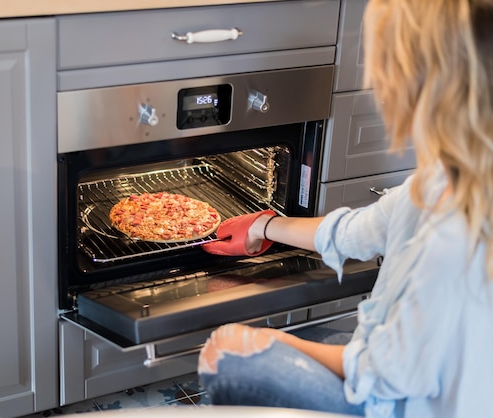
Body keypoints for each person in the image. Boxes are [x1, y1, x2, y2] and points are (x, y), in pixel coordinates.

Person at [198, 0, 493, 417]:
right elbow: (354, 230)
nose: (376, 83)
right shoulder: (444, 182)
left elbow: (384, 374)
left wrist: (268, 341)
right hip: (403, 377)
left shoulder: (453, 239)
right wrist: (263, 226)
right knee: (300, 338)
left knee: (230, 363)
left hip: (409, 406)